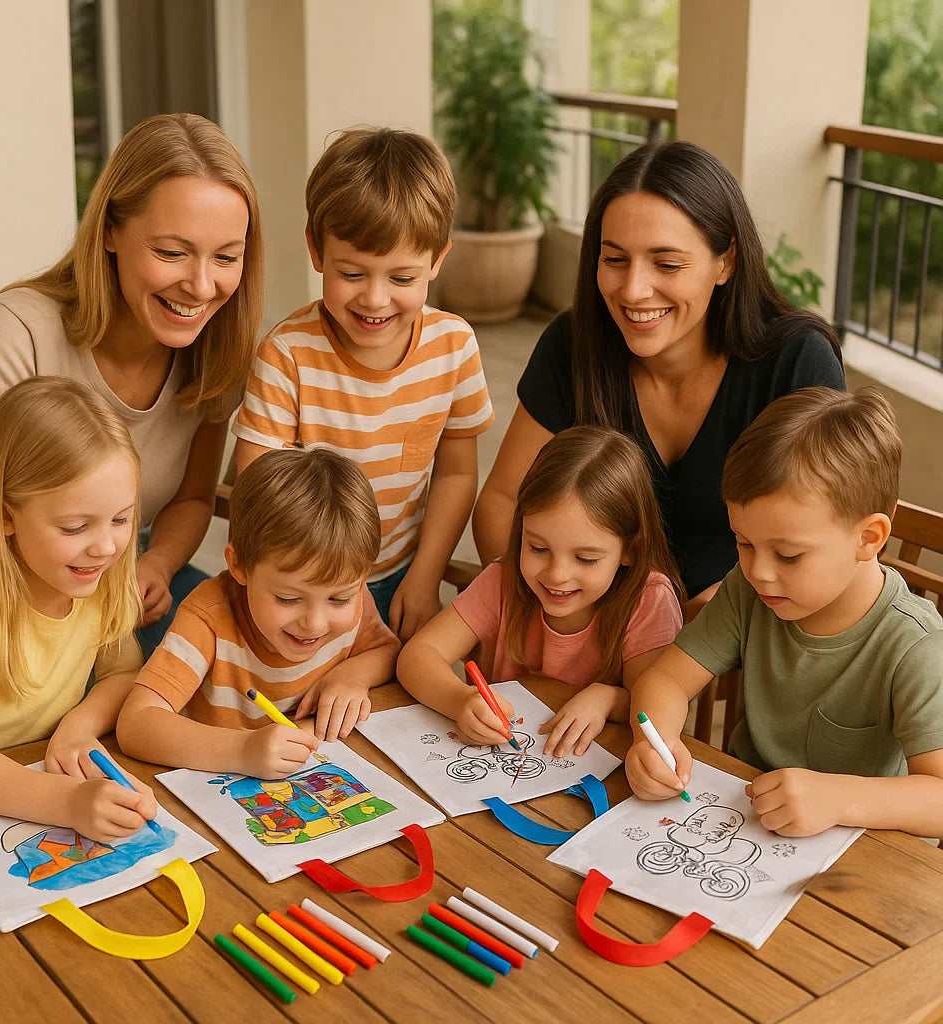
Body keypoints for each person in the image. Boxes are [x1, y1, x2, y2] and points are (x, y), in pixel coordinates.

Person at [0, 113, 264, 657]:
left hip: (121, 584)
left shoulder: (217, 346)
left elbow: (194, 497)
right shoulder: (19, 332)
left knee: (252, 659)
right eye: (171, 252)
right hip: (5, 606)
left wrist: (157, 564)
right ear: (109, 230)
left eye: (226, 257)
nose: (202, 286)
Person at [473, 141, 845, 618]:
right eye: (614, 259)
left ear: (725, 261)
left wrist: (704, 635)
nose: (633, 290)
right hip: (599, 642)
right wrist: (560, 622)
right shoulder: (574, 342)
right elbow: (503, 501)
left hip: (740, 646)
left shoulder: (797, 362)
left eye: (666, 264)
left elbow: (824, 539)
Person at [626, 388, 943, 839]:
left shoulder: (917, 646)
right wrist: (653, 742)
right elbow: (668, 679)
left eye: (789, 555)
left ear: (869, 538)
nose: (759, 572)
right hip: (744, 822)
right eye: (744, 543)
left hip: (862, 853)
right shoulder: (749, 589)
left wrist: (836, 798)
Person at [233, 126, 494, 640]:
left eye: (402, 279)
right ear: (316, 250)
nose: (375, 300)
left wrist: (424, 577)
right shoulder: (287, 356)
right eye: (352, 274)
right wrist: (325, 603)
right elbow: (257, 500)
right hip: (301, 595)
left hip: (400, 579)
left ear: (438, 259)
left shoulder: (454, 346)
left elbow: (456, 476)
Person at [0, 378, 157, 843]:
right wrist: (66, 801)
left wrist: (78, 725)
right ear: (6, 515)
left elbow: (125, 675)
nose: (106, 546)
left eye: (122, 519)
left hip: (29, 769)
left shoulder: (97, 577)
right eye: (74, 526)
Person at [397, 426, 684, 759]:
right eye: (537, 547)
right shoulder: (504, 581)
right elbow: (417, 656)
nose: (557, 575)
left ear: (630, 551)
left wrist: (609, 699)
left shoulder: (647, 600)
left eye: (585, 558)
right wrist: (460, 699)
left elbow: (654, 709)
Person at [117, 446, 400, 779]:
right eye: (287, 598)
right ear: (239, 565)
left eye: (338, 600)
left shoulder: (354, 594)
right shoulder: (208, 618)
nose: (314, 622)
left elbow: (388, 649)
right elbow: (136, 723)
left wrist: (353, 676)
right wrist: (243, 750)